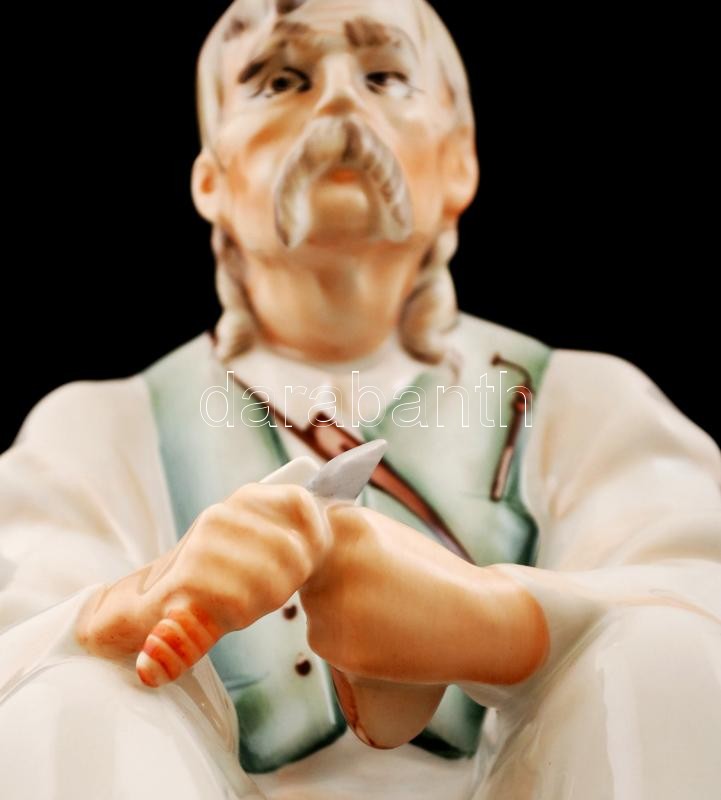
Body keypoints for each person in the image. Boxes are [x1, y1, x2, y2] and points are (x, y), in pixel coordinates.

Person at [1, 1, 720, 798]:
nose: (340, 100)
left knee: (668, 653)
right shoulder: (102, 432)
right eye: (282, 80)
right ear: (211, 179)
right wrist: (138, 599)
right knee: (72, 692)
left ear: (457, 162)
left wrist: (491, 620)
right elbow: (14, 631)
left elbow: (696, 587)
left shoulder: (580, 406)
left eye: (384, 76)